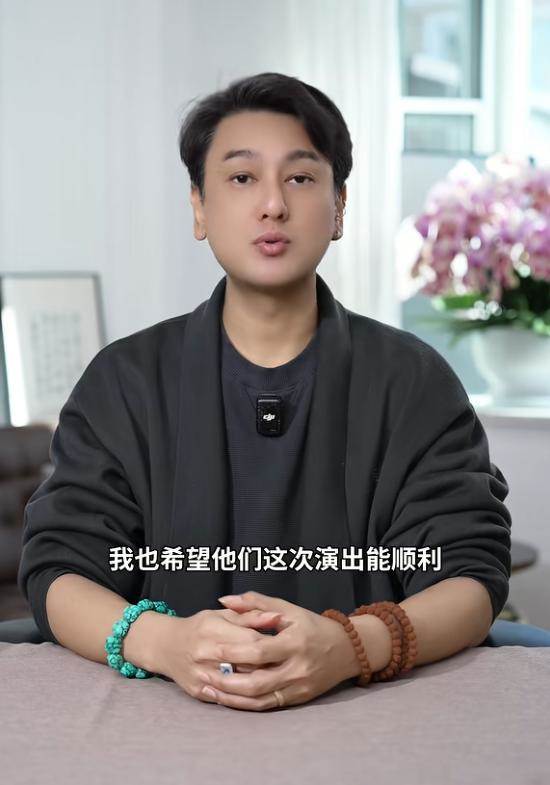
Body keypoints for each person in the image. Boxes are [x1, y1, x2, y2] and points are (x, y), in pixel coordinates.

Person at [18, 72, 514, 712]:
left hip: (371, 719)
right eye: (242, 177)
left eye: (301, 178)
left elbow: (471, 572)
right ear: (199, 207)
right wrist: (166, 643)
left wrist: (350, 646)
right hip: (160, 723)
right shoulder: (125, 379)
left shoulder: (413, 380)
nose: (273, 204)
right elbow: (59, 566)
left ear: (339, 207)